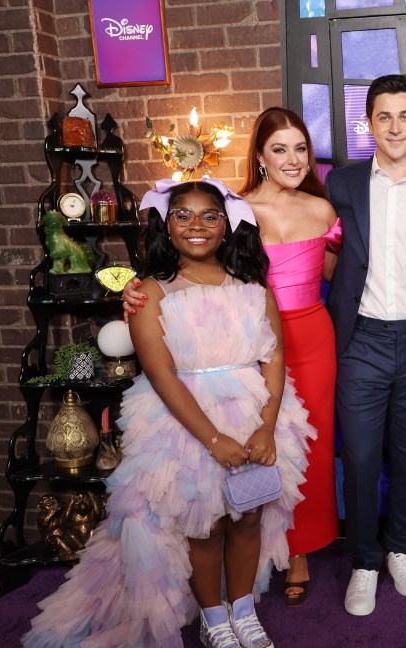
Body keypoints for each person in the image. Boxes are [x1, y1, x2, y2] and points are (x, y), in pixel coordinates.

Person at [22, 179, 312, 648]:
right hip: (186, 423)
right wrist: (213, 439)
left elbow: (275, 358)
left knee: (246, 516)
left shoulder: (254, 290)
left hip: (254, 413)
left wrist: (264, 430)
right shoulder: (150, 292)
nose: (196, 225)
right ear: (166, 225)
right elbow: (160, 374)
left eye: (210, 216)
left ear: (229, 226)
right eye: (183, 215)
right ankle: (213, 617)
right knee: (204, 522)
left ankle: (243, 608)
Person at [125, 108, 340, 608]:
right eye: (280, 149)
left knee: (305, 445)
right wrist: (133, 293)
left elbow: (336, 278)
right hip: (248, 343)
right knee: (257, 439)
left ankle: (300, 549)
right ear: (260, 157)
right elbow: (197, 265)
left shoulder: (324, 211)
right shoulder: (235, 208)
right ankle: (265, 551)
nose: (293, 158)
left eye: (301, 148)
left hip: (312, 336)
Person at [325, 73, 406, 616]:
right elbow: (305, 242)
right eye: (384, 116)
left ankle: (400, 547)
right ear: (369, 125)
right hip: (361, 339)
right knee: (358, 456)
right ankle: (363, 560)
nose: (396, 126)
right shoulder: (342, 184)